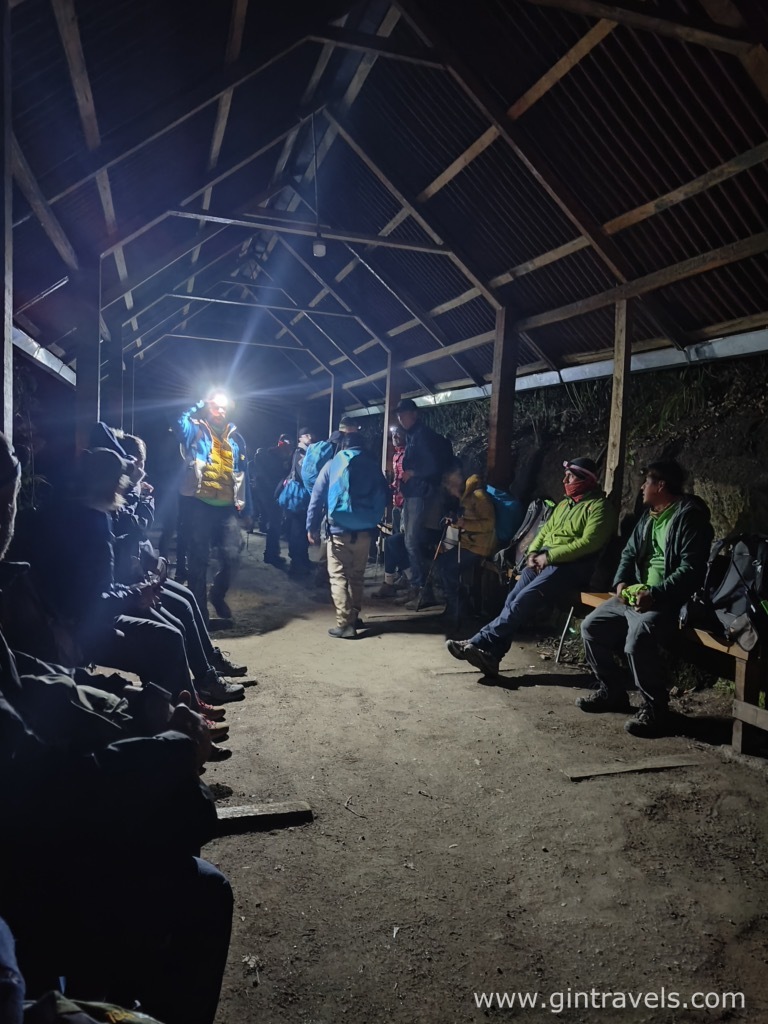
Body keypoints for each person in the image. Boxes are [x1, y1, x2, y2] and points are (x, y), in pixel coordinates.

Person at [0, 431, 232, 1024]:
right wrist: (160, 748)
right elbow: (33, 774)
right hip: (22, 854)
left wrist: (127, 708)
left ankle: (192, 692)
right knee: (161, 631)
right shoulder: (91, 524)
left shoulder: (72, 527)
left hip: (71, 645)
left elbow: (30, 681)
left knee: (172, 607)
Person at [446, 457, 617, 677]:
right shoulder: (565, 504)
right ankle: (492, 657)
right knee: (512, 600)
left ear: (585, 479)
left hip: (570, 568)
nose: (565, 479)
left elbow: (588, 543)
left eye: (570, 476)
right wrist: (533, 552)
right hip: (543, 562)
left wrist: (551, 556)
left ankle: (478, 641)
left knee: (523, 601)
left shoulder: (600, 508)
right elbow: (544, 531)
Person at [578, 460, 713, 737]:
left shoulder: (689, 518)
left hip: (669, 599)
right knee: (590, 628)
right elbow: (628, 552)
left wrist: (655, 593)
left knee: (636, 642)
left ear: (660, 485)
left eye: (647, 482)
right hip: (636, 595)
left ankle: (656, 709)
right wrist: (621, 581)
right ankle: (612, 691)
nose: (641, 488)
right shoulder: (649, 516)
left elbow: (691, 569)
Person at [175, 391, 251, 623]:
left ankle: (217, 595)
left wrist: (247, 509)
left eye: (224, 408)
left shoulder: (236, 438)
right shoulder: (195, 430)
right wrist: (199, 399)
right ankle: (199, 613)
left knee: (233, 557)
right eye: (216, 407)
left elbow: (244, 474)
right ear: (208, 408)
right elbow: (178, 418)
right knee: (198, 559)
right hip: (199, 505)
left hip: (227, 507)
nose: (221, 411)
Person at [306, 432, 388, 639]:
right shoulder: (371, 465)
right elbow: (384, 496)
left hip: (338, 530)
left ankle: (345, 624)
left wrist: (311, 527)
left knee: (338, 576)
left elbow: (316, 499)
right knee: (357, 576)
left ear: (343, 446)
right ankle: (355, 615)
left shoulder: (332, 465)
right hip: (364, 531)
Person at [395, 399, 453, 606]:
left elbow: (433, 466)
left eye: (404, 414)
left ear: (415, 414)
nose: (401, 418)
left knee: (412, 541)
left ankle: (422, 589)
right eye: (399, 415)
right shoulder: (413, 436)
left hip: (421, 495)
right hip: (412, 494)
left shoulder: (423, 437)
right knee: (408, 540)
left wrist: (413, 472)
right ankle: (416, 586)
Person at [436, 469, 497, 629]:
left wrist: (464, 524)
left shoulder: (479, 496)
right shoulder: (467, 497)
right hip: (469, 544)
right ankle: (456, 607)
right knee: (443, 564)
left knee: (448, 568)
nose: (451, 492)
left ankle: (458, 610)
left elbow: (489, 524)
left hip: (480, 546)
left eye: (451, 487)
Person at [285, 427, 315, 579]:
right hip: (298, 497)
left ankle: (303, 559)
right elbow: (304, 474)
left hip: (301, 497)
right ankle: (296, 564)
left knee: (302, 530)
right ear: (300, 438)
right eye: (307, 435)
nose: (310, 437)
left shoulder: (305, 452)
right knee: (297, 531)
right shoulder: (300, 453)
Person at [389, 425, 406, 534]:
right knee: (395, 535)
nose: (394, 436)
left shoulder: (409, 453)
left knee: (403, 536)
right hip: (397, 502)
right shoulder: (396, 455)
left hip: (407, 503)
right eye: (393, 434)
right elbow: (397, 479)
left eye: (398, 433)